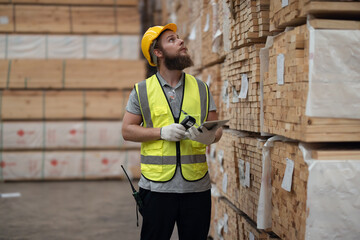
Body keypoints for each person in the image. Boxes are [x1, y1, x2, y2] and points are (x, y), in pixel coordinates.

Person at [122, 23, 223, 240]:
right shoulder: (142, 90)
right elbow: (127, 131)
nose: (181, 42)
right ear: (158, 53)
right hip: (157, 189)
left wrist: (206, 136)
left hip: (196, 188)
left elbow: (217, 130)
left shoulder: (202, 88)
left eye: (178, 37)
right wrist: (161, 132)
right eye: (172, 40)